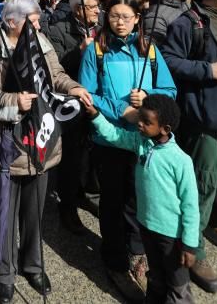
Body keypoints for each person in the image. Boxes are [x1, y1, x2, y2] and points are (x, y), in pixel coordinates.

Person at [0, 0, 92, 304]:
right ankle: (5, 273)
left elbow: (56, 76)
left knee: (34, 213)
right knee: (6, 215)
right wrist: (13, 101)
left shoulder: (41, 41)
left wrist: (73, 87)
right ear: (12, 22)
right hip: (4, 145)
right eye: (32, 21)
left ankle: (33, 265)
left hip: (40, 141)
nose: (39, 25)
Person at [79, 0, 176, 302]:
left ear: (137, 18)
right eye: (114, 16)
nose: (119, 21)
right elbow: (87, 94)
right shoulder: (96, 50)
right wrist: (123, 110)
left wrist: (147, 96)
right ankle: (114, 260)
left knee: (137, 199)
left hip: (143, 139)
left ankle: (137, 253)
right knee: (111, 200)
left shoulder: (149, 50)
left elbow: (170, 90)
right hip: (109, 139)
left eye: (126, 16)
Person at [84, 94, 199, 304]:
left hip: (172, 237)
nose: (139, 124)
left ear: (165, 129)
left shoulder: (181, 161)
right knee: (155, 278)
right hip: (147, 228)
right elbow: (115, 135)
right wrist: (95, 116)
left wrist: (191, 245)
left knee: (178, 285)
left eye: (147, 122)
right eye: (140, 118)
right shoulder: (141, 142)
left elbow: (191, 206)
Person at [161, 0, 217, 294]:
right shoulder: (189, 23)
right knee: (204, 181)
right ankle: (194, 248)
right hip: (204, 118)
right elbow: (169, 61)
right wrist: (208, 70)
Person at [48, 0, 101, 233]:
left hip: (97, 99)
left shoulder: (102, 30)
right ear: (79, 9)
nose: (98, 11)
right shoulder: (58, 30)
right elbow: (53, 69)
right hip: (70, 103)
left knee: (91, 155)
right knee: (70, 156)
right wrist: (78, 51)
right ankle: (67, 207)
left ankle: (88, 194)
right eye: (93, 7)